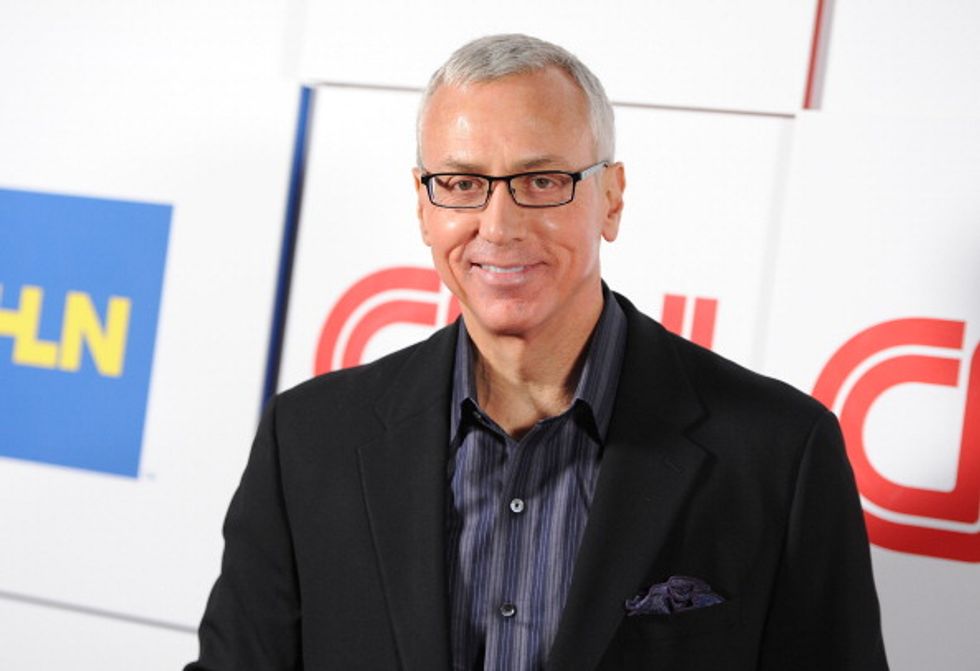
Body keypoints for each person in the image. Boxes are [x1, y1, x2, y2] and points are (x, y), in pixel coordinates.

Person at [187, 34, 888, 670]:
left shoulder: (778, 453)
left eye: (542, 181)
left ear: (611, 198)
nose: (498, 226)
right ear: (424, 206)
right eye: (462, 184)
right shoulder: (309, 440)